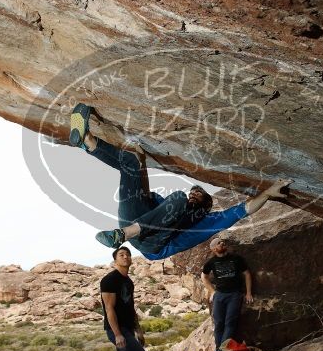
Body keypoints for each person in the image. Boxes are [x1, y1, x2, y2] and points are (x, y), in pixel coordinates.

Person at [69, 103, 293, 260]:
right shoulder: (165, 207)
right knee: (130, 162)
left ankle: (123, 235)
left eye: (198, 195)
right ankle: (87, 141)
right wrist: (142, 160)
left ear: (207, 205)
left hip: (151, 244)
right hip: (132, 219)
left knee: (177, 198)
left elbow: (244, 209)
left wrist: (268, 193)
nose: (193, 195)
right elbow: (144, 192)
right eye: (193, 192)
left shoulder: (206, 221)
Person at [100, 246, 151, 351]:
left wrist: (138, 331)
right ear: (115, 260)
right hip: (116, 329)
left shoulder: (128, 281)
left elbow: (131, 307)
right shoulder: (109, 280)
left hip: (127, 328)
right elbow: (109, 309)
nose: (125, 257)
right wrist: (117, 334)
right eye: (121, 254)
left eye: (128, 254)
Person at [201, 237, 252, 351]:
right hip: (219, 295)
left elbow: (247, 274)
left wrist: (248, 293)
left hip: (234, 294)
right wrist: (212, 291)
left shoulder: (236, 258)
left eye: (222, 242)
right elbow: (204, 276)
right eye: (219, 243)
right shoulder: (211, 262)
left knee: (230, 322)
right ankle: (219, 350)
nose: (222, 243)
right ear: (214, 249)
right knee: (218, 323)